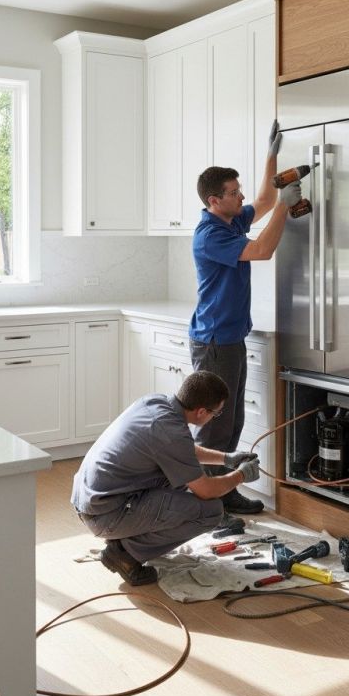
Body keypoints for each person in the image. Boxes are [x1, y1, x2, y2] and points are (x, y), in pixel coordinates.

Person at [189, 120, 302, 514]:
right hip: (215, 342)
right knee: (216, 426)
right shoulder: (211, 235)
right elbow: (263, 250)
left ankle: (224, 491)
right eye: (233, 194)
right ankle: (205, 500)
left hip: (229, 339)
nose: (241, 199)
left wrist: (271, 153)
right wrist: (287, 205)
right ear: (214, 201)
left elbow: (264, 200)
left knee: (231, 421)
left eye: (238, 192)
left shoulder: (231, 218)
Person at [71, 371, 260, 586]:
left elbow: (182, 450)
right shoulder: (172, 433)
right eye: (215, 414)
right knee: (211, 511)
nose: (213, 418)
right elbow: (206, 490)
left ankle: (128, 538)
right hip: (105, 514)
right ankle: (125, 555)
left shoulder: (155, 402)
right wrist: (241, 475)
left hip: (91, 498)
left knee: (178, 479)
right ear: (201, 412)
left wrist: (226, 459)